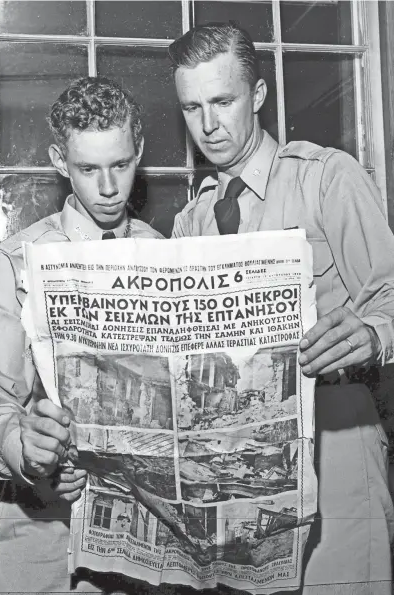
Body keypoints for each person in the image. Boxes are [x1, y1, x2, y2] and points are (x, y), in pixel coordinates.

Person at [168, 23, 394, 595]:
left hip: (337, 444)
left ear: (260, 96)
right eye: (193, 108)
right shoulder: (191, 220)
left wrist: (373, 333)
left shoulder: (327, 177)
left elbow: (391, 292)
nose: (209, 125)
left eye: (223, 101)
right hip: (231, 471)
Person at [0, 76, 164, 593]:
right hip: (44, 541)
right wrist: (29, 451)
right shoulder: (15, 262)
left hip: (151, 544)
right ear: (60, 162)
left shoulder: (166, 255)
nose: (109, 188)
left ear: (140, 152)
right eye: (89, 169)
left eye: (121, 164)